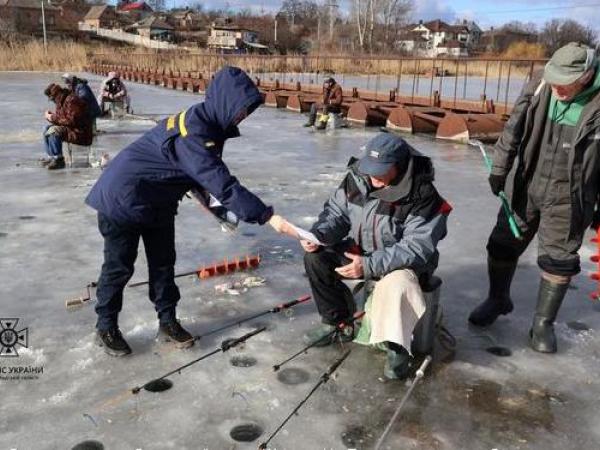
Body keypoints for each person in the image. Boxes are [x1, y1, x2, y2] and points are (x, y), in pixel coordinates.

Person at [85, 67, 286, 357]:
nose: (243, 116)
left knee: (163, 264)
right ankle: (105, 326)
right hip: (122, 199)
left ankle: (167, 322)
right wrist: (266, 216)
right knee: (119, 267)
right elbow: (221, 183)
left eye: (247, 111)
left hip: (157, 202)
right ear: (224, 101)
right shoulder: (195, 132)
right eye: (240, 109)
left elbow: (198, 178)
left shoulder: (207, 124)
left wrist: (220, 213)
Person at [468, 42, 600, 354]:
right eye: (554, 79)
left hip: (572, 195)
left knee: (559, 260)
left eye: (564, 83)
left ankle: (542, 323)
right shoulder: (541, 86)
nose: (557, 88)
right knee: (502, 243)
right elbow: (513, 129)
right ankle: (497, 298)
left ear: (587, 75)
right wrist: (500, 169)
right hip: (526, 184)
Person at [299, 133, 450, 379]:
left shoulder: (423, 195)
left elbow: (416, 247)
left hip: (404, 264)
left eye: (380, 171)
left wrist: (368, 265)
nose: (372, 176)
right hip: (363, 251)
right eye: (369, 168)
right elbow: (336, 214)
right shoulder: (357, 180)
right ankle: (336, 321)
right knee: (317, 258)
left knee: (397, 284)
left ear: (398, 166)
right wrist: (319, 235)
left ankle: (397, 345)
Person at [42, 83, 93, 170]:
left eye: (52, 99)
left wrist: (52, 117)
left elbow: (72, 120)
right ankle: (52, 157)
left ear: (56, 95)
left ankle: (59, 160)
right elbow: (61, 118)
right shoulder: (61, 101)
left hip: (80, 132)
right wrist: (50, 117)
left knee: (54, 131)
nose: (53, 101)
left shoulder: (72, 100)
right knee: (46, 129)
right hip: (72, 129)